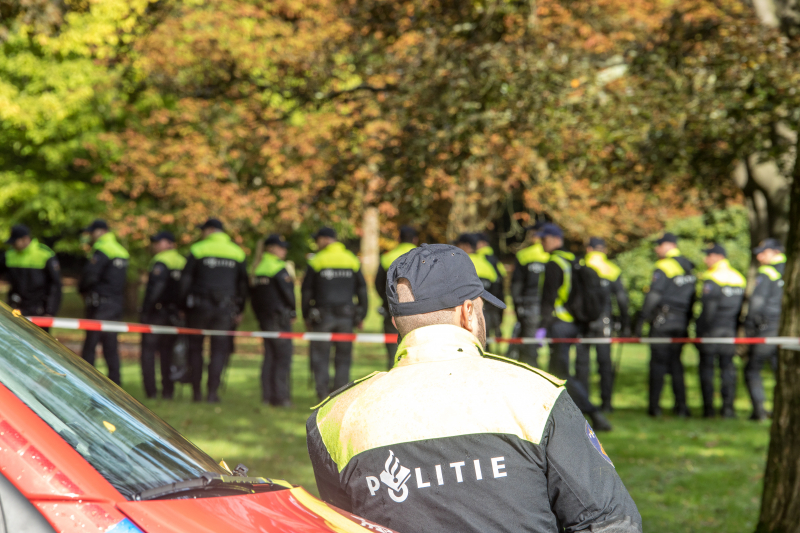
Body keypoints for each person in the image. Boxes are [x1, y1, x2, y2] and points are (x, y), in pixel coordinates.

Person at [306, 244, 641, 533]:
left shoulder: (335, 417)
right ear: (468, 312)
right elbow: (610, 520)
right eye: (481, 309)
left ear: (396, 323)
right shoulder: (534, 394)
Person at [538, 223, 612, 431]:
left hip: (560, 323)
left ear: (555, 240)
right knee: (564, 370)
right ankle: (565, 415)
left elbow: (548, 298)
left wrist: (542, 326)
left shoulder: (555, 263)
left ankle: (594, 414)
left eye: (544, 239)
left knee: (560, 373)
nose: (542, 243)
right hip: (575, 322)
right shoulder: (573, 259)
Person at [179, 218, 248, 403]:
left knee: (195, 349)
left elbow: (185, 280)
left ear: (210, 230)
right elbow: (243, 284)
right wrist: (240, 309)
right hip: (225, 310)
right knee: (219, 351)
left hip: (199, 308)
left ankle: (196, 393)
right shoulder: (237, 252)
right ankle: (212, 393)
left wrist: (182, 306)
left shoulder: (198, 249)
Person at [301, 227, 368, 402]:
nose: (317, 243)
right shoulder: (351, 259)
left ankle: (322, 395)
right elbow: (362, 289)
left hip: (322, 317)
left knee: (320, 356)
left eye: (318, 240)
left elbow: (306, 291)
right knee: (343, 358)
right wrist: (362, 314)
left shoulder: (317, 261)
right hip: (346, 317)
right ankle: (339, 395)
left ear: (325, 239)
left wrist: (306, 315)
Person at [636, 232, 695, 418]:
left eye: (659, 245)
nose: (656, 249)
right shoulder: (688, 265)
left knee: (658, 365)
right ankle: (682, 407)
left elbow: (654, 295)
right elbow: (693, 297)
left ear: (668, 245)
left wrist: (641, 319)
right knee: (676, 364)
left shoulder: (664, 266)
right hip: (681, 320)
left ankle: (654, 408)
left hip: (663, 321)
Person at [577, 237, 630, 412]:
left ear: (589, 249)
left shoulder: (579, 265)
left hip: (583, 320)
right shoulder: (612, 269)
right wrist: (626, 323)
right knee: (604, 363)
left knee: (582, 363)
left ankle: (582, 402)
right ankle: (606, 403)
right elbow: (621, 299)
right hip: (604, 320)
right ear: (604, 250)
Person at [696, 243, 746, 418]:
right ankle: (728, 409)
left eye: (708, 255)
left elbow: (708, 310)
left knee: (707, 370)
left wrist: (700, 332)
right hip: (729, 331)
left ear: (717, 256)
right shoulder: (739, 277)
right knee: (728, 369)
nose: (705, 259)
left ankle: (708, 410)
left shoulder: (712, 277)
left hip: (712, 332)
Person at [79, 219, 129, 385]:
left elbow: (90, 276)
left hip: (99, 305)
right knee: (111, 346)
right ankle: (116, 383)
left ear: (99, 231)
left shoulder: (101, 249)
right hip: (115, 304)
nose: (91, 237)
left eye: (92, 232)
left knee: (90, 345)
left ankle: (86, 381)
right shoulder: (121, 251)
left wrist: (82, 290)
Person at [140, 230, 185, 400]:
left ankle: (150, 391)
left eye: (159, 242)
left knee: (148, 352)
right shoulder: (182, 261)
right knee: (168, 353)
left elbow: (155, 290)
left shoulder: (161, 261)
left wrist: (146, 311)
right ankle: (168, 390)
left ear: (170, 244)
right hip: (173, 315)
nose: (155, 245)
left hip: (157, 313)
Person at [251, 234, 296, 407]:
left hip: (265, 320)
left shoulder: (258, 267)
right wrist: (293, 312)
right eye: (281, 247)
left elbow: (254, 299)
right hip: (279, 319)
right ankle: (281, 398)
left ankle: (267, 396)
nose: (284, 250)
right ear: (271, 248)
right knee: (282, 358)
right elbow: (288, 294)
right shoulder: (277, 267)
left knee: (269, 357)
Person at [744, 239, 786, 421]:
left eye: (763, 252)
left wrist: (749, 326)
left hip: (767, 327)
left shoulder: (767, 271)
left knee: (752, 369)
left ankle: (759, 412)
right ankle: (783, 411)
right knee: (782, 371)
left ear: (774, 252)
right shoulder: (791, 268)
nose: (759, 256)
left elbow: (757, 303)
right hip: (786, 328)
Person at [0, 224, 62, 328]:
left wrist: (50, 311)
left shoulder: (44, 254)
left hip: (39, 310)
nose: (13, 245)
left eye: (15, 242)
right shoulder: (9, 255)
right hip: (16, 307)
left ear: (25, 239)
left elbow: (56, 285)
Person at [375, 226, 418, 369]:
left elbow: (378, 284)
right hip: (419, 311)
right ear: (415, 239)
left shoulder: (388, 257)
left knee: (393, 353)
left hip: (392, 311)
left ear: (399, 239)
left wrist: (387, 300)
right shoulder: (423, 257)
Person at [510, 223, 549, 366]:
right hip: (552, 305)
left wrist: (517, 307)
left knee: (529, 345)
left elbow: (516, 285)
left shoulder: (524, 255)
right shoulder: (553, 255)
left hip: (530, 304)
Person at [456, 233, 503, 344]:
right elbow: (497, 292)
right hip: (486, 315)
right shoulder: (488, 265)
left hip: (463, 316)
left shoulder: (459, 263)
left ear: (465, 246)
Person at [475, 232, 507, 344]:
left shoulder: (480, 258)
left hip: (484, 305)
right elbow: (501, 278)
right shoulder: (495, 259)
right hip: (494, 303)